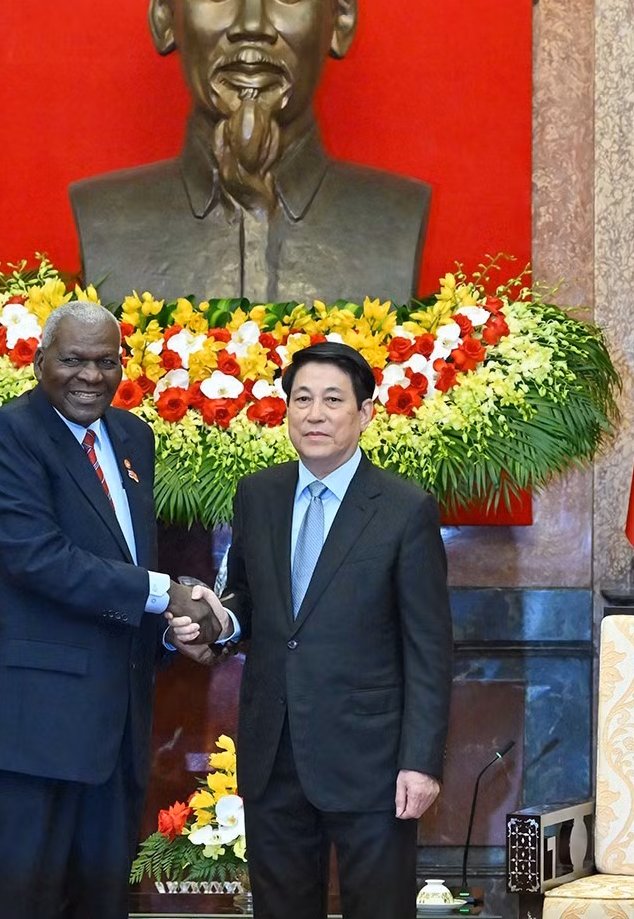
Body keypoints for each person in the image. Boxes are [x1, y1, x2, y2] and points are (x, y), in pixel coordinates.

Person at [71, 0, 430, 305]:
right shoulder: (105, 218)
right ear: (165, 12)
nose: (252, 23)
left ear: (339, 16)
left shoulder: (396, 216)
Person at [0, 300, 220, 919]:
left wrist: (168, 631)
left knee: (101, 904)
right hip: (33, 731)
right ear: (39, 360)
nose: (90, 376)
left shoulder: (133, 436)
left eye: (106, 362)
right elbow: (38, 558)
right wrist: (162, 593)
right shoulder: (9, 435)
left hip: (116, 732)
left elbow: (124, 552)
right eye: (73, 360)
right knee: (16, 905)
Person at [173, 341, 452, 918]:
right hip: (274, 754)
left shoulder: (404, 508)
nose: (315, 414)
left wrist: (421, 761)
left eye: (332, 400)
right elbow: (251, 597)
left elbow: (429, 648)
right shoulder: (260, 494)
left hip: (372, 761)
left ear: (366, 413)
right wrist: (222, 619)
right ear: (286, 411)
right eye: (302, 399)